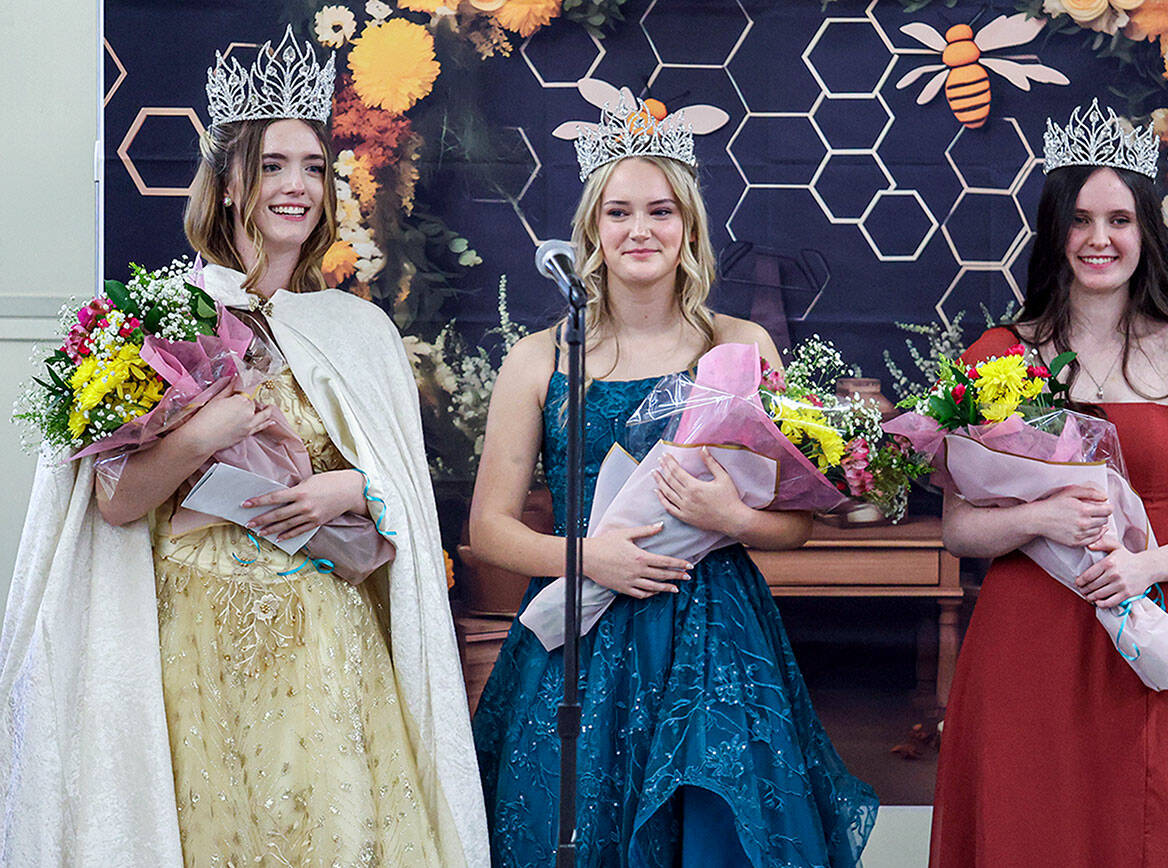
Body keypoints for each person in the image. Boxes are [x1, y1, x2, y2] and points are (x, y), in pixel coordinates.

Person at [0, 28, 487, 867]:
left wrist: (354, 491)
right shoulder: (157, 320)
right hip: (191, 635)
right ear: (229, 184)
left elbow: (399, 497)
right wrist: (204, 431)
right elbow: (114, 504)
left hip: (322, 637)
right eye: (272, 165)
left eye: (312, 167)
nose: (296, 186)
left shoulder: (356, 330)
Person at [468, 95, 877, 866]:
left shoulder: (740, 344)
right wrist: (591, 557)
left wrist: (733, 514)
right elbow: (488, 528)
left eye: (660, 211)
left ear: (687, 226)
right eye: (618, 212)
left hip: (712, 630)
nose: (640, 230)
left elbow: (795, 525)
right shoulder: (541, 359)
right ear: (592, 230)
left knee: (712, 829)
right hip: (578, 632)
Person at [929, 100, 1168, 867]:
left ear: (1145, 232)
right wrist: (1042, 515)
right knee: (1031, 831)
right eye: (1080, 220)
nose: (1099, 239)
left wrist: (1144, 566)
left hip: (1153, 629)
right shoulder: (1001, 356)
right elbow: (958, 529)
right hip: (1030, 641)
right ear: (1054, 232)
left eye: (1118, 220)